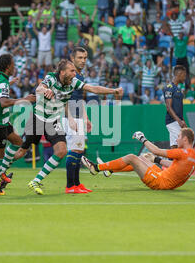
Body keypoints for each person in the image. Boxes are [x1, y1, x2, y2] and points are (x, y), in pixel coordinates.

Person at [12, 59, 123, 195]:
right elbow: (39, 88)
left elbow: (93, 88)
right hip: (37, 119)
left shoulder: (73, 82)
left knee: (62, 150)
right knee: (21, 152)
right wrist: (46, 90)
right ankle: (3, 167)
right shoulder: (51, 78)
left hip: (52, 121)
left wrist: (114, 91)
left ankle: (36, 180)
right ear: (63, 72)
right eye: (72, 71)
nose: (75, 74)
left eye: (75, 71)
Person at [0, 54, 36, 195]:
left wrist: (9, 83)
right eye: (13, 64)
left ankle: (1, 172)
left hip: (2, 120)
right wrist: (25, 99)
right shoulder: (2, 82)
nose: (15, 66)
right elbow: (4, 102)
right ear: (7, 66)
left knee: (17, 141)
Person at [82, 128, 195, 190]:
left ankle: (96, 168)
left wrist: (142, 138)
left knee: (132, 157)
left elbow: (156, 150)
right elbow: (174, 168)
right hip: (165, 179)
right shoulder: (194, 157)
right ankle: (110, 170)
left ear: (185, 139)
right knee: (142, 158)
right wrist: (155, 160)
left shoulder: (183, 152)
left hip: (160, 182)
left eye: (178, 137)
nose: (176, 140)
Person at [64, 47, 94, 194]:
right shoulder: (68, 75)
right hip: (70, 117)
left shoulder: (80, 76)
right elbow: (63, 98)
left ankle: (77, 184)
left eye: (85, 58)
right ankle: (70, 186)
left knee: (79, 149)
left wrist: (86, 118)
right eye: (80, 58)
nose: (83, 61)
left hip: (79, 116)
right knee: (74, 149)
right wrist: (70, 118)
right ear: (72, 58)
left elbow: (81, 99)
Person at [163, 65, 187, 148]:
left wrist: (182, 121)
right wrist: (178, 121)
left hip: (177, 121)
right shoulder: (169, 88)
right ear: (179, 74)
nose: (185, 78)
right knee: (182, 143)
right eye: (184, 75)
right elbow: (168, 107)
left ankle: (172, 160)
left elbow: (179, 108)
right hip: (172, 121)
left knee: (175, 145)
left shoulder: (178, 89)